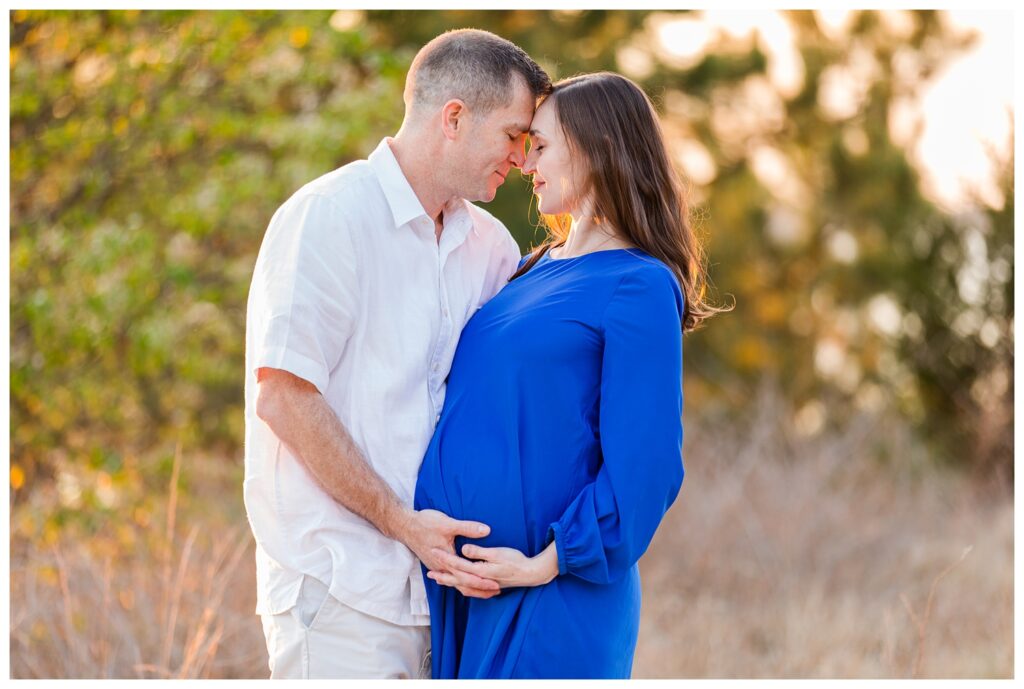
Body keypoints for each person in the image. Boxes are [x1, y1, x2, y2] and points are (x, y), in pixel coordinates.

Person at [243, 29, 550, 679]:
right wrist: (402, 522)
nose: (523, 159)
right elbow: (284, 396)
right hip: (339, 590)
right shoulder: (328, 217)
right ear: (455, 118)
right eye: (514, 135)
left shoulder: (491, 248)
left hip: (443, 601)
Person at [414, 71, 729, 678]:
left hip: (551, 596)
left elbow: (650, 465)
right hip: (472, 594)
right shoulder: (531, 266)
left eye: (541, 145)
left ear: (595, 147)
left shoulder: (637, 283)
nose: (526, 162)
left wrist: (545, 563)